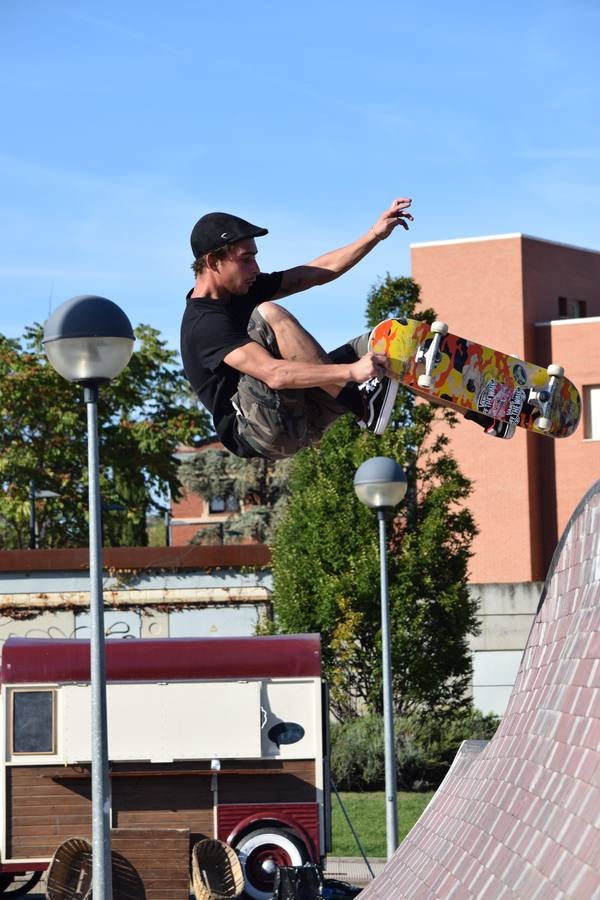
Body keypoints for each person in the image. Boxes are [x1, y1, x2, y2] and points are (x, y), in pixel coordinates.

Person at [180, 199, 414, 460]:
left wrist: (374, 235)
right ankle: (358, 401)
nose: (255, 268)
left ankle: (467, 406)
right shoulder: (204, 324)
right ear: (213, 262)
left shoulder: (244, 288)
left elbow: (313, 273)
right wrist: (352, 371)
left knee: (385, 342)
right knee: (267, 312)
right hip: (260, 431)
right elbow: (274, 374)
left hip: (302, 414)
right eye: (246, 259)